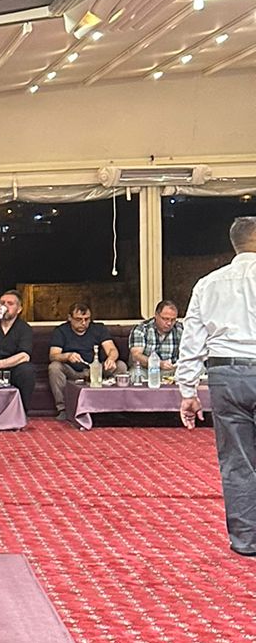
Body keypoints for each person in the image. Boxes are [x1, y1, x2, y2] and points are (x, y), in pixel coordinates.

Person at [178, 215, 256, 558]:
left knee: (236, 461)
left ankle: (246, 541)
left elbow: (192, 341)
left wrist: (187, 391)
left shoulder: (208, 284)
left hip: (225, 375)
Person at [47, 303, 123, 412]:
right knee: (54, 367)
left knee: (120, 366)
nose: (83, 323)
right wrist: (67, 356)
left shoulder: (98, 328)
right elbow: (53, 355)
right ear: (69, 318)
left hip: (96, 369)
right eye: (78, 319)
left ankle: (114, 407)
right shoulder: (61, 331)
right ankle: (63, 408)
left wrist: (111, 359)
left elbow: (112, 349)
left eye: (87, 319)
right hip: (72, 371)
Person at [130, 299, 182, 376]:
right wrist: (158, 363)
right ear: (156, 315)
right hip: (147, 369)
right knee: (135, 373)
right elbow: (136, 356)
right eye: (165, 319)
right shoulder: (142, 329)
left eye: (173, 320)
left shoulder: (180, 329)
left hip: (173, 370)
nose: (169, 323)